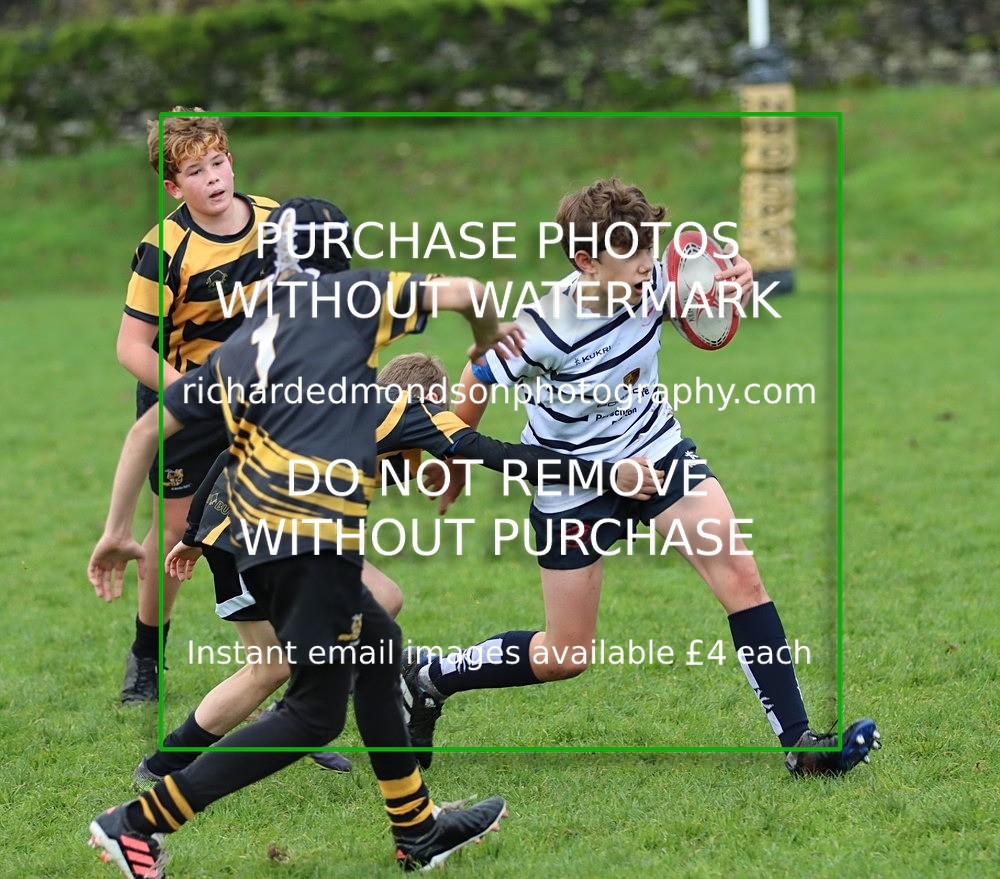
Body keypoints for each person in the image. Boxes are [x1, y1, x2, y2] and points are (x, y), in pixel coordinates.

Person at [87, 197, 519, 877]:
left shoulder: (253, 336)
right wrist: (486, 337)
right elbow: (471, 290)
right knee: (315, 716)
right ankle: (135, 822)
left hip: (257, 541)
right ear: (343, 252)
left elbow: (147, 430)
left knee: (379, 645)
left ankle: (417, 828)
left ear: (277, 259)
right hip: (307, 539)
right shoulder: (358, 294)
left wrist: (117, 530)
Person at [400, 178, 882, 776]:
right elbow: (476, 380)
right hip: (570, 483)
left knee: (742, 578)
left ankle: (800, 744)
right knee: (567, 653)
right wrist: (451, 466)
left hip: (656, 452)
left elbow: (707, 294)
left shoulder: (652, 278)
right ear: (585, 261)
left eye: (649, 250)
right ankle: (429, 679)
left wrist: (739, 282)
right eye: (630, 255)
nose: (646, 268)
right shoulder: (544, 326)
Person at [131, 352, 660, 787]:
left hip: (232, 527)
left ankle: (164, 763)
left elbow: (236, 450)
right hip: (269, 532)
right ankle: (319, 711)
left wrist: (195, 535)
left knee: (268, 668)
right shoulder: (416, 409)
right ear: (431, 398)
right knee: (381, 600)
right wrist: (608, 472)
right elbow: (502, 454)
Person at [116, 107, 279, 703]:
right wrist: (195, 393)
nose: (212, 178)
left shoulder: (274, 221)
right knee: (180, 526)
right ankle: (146, 655)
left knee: (268, 521)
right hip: (181, 394)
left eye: (218, 162)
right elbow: (131, 346)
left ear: (231, 160)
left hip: (257, 400)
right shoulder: (163, 249)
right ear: (173, 186)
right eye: (195, 170)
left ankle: (279, 671)